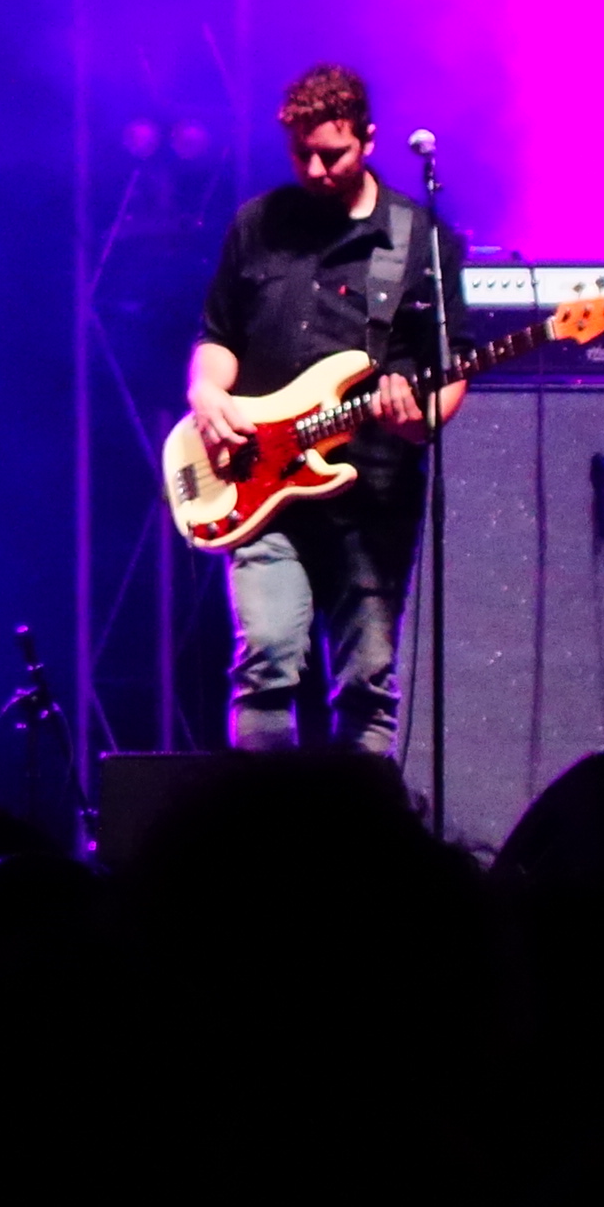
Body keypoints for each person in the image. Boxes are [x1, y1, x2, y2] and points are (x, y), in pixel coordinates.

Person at [187, 65, 463, 758]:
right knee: (265, 662)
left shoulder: (419, 238)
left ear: (368, 139)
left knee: (367, 681)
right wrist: (207, 394)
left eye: (333, 154)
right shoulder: (258, 224)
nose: (316, 169)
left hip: (371, 494)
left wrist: (419, 419)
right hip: (260, 486)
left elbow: (451, 367)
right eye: (302, 154)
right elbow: (218, 336)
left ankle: (357, 825)